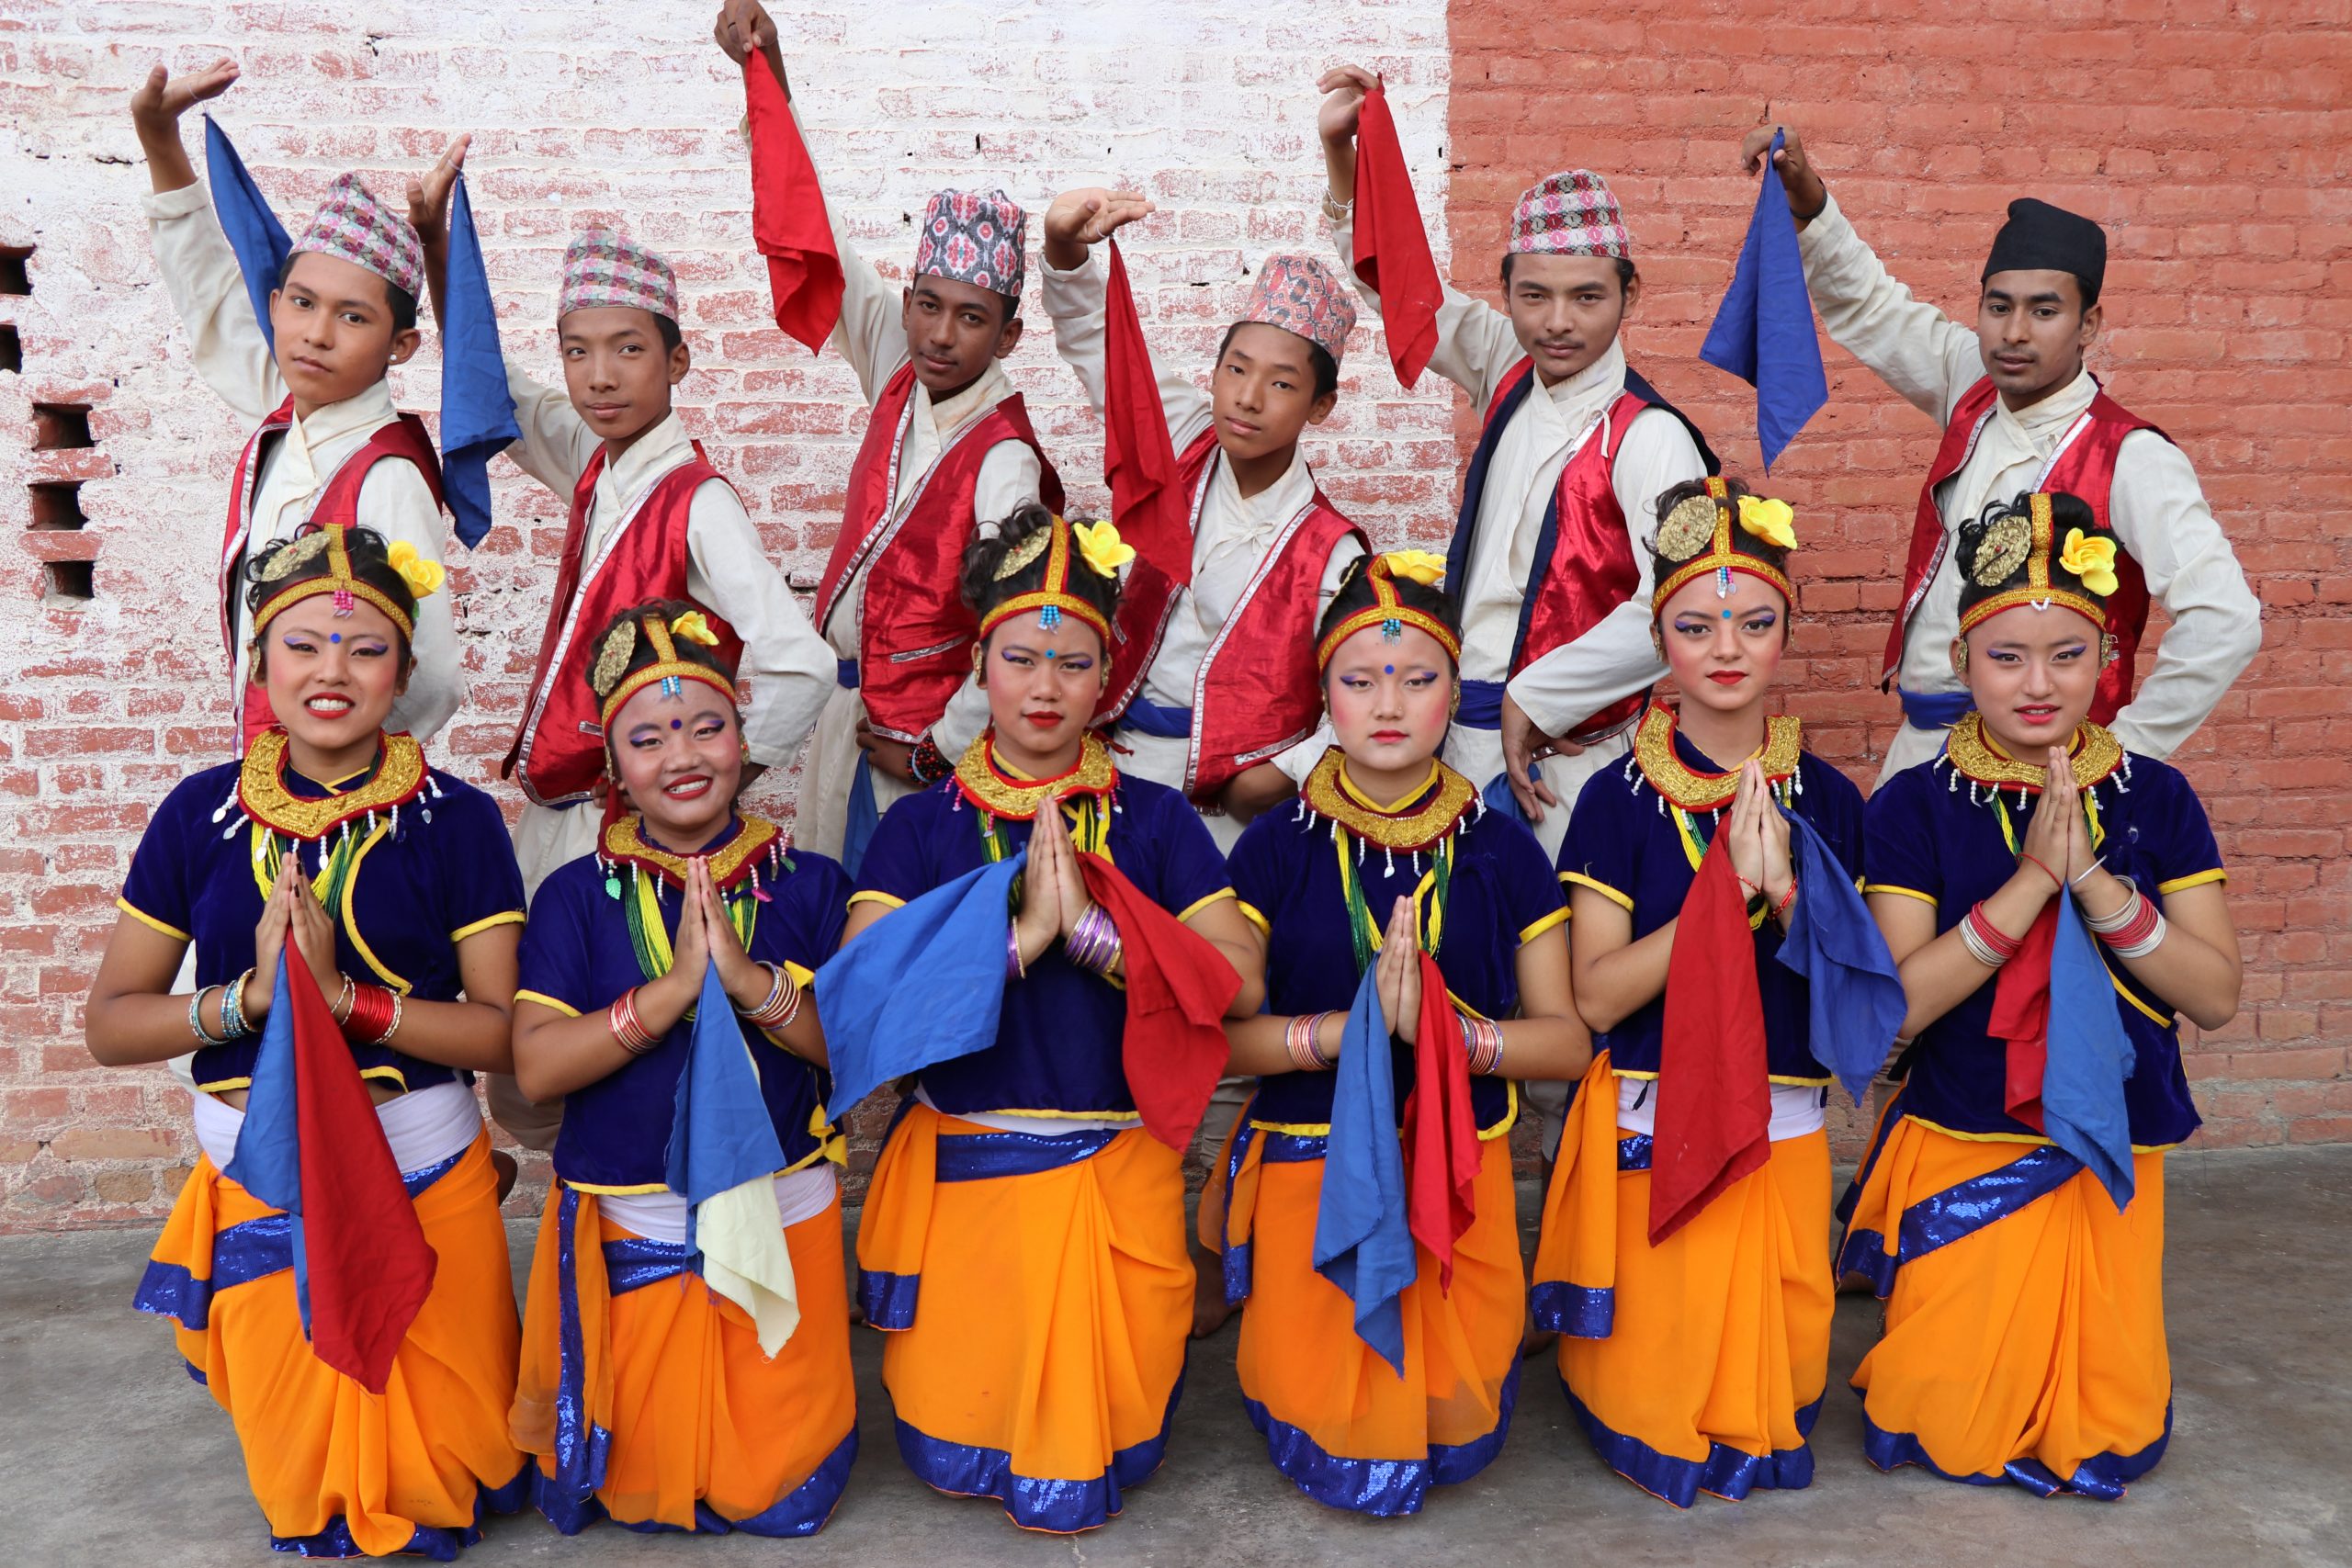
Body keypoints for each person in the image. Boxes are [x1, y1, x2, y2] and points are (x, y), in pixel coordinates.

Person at [86, 524, 526, 1556]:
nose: (334, 671)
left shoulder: (457, 822)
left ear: (405, 671)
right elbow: (113, 1023)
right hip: (260, 1169)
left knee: (444, 1466)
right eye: (303, 645)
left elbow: (504, 1036)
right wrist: (248, 998)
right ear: (257, 661)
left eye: (367, 648)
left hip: (420, 1167)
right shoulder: (198, 814)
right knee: (304, 1477)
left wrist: (346, 1001)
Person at [833, 505, 1264, 1532]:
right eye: (1020, 657)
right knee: (958, 1421)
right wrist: (1022, 939)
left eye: (1072, 663)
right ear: (982, 664)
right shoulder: (920, 826)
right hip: (969, 1178)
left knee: (1112, 1423)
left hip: (1119, 1171)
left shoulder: (1155, 820)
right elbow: (863, 1004)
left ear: (1105, 676)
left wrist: (1101, 941)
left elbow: (1241, 980)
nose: (1044, 685)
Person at [1849, 490, 2242, 1495]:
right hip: (1964, 1128)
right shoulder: (1911, 804)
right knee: (1942, 1415)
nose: (2036, 683)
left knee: (2099, 1419)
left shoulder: (2155, 797)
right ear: (1958, 661)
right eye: (2005, 657)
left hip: (2113, 1134)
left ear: (2108, 662)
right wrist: (2028, 885)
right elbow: (1895, 1004)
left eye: (2066, 654)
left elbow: (2214, 994)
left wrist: (2098, 890)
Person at [1533, 479, 1892, 1506]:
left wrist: (1787, 891)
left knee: (1777, 1367)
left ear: (1786, 634)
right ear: (1661, 639)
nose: (1725, 647)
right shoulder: (1614, 798)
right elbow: (1595, 999)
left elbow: (1860, 1005)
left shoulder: (1826, 800)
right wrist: (1724, 893)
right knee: (1662, 1374)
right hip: (1654, 1119)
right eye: (1696, 625)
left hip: (1783, 1122)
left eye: (1753, 621)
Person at [1208, 552, 1588, 1515]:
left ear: (1454, 694)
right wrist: (1348, 1031)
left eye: (1418, 680)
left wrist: (1462, 1043)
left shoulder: (1502, 851)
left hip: (1459, 1167)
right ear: (1322, 695)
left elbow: (1568, 1043)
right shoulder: (1272, 850)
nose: (1389, 703)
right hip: (1314, 1160)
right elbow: (1221, 1044)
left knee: (1451, 1404)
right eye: (1359, 679)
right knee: (1324, 1395)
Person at [1740, 124, 2261, 782]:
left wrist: (2120, 758)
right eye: (1999, 307)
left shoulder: (2128, 456)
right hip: (1920, 754)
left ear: (2088, 325)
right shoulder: (1972, 384)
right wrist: (1808, 201)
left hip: (2041, 772)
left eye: (2044, 312)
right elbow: (1872, 305)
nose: (2014, 332)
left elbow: (2226, 618)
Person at [506, 601, 856, 1536]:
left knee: (779, 1489)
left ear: (744, 735)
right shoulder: (576, 896)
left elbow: (854, 1054)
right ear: (614, 764)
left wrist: (746, 982)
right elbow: (536, 1071)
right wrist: (669, 995)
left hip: (785, 1215)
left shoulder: (811, 884)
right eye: (649, 738)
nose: (684, 755)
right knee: (638, 1486)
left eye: (707, 726)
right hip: (633, 1226)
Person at [405, 147, 832, 901]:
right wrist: (439, 247)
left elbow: (805, 664)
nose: (600, 376)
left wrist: (712, 778)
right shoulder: (593, 457)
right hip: (563, 816)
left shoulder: (698, 502)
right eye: (578, 352)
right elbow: (493, 381)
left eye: (628, 349)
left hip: (634, 829)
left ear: (678, 362)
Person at [1313, 63, 1718, 858]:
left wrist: (1539, 701)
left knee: (1559, 950)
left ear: (1629, 297)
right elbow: (1400, 288)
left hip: (1572, 751)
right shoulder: (1506, 368)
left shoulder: (1650, 436)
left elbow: (1676, 608)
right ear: (1504, 292)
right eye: (1533, 296)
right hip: (1458, 733)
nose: (1557, 322)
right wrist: (1344, 153)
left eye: (1587, 297)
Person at [714, 1, 1064, 870]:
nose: (942, 335)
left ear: (1009, 336)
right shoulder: (898, 367)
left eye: (971, 319)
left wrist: (941, 742)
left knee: (898, 934)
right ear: (907, 302)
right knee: (834, 919)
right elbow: (816, 233)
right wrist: (766, 70)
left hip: (924, 744)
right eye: (929, 306)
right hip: (847, 711)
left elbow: (1017, 625)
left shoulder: (1006, 455)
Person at [130, 61, 459, 749]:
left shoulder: (385, 474)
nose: (316, 333)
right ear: (276, 308)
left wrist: (329, 767)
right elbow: (212, 297)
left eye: (352, 318)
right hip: (264, 778)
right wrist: (159, 137)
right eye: (303, 304)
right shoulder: (287, 416)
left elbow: (432, 681)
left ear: (400, 347)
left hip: (338, 798)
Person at [1036, 198, 1370, 844]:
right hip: (1111, 776)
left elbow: (1370, 686)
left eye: (1280, 384)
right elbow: (1099, 344)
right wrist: (1064, 250)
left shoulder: (1332, 549)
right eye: (1236, 370)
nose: (1246, 398)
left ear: (1321, 406)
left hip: (1230, 817)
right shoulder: (1179, 439)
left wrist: (1286, 770)